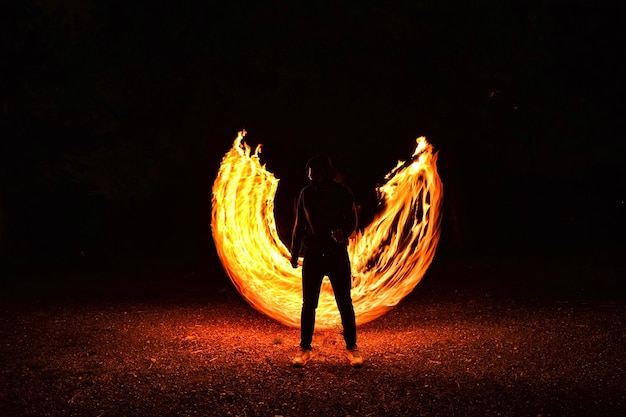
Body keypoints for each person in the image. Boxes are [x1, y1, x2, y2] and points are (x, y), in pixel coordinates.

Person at [289, 153, 363, 367]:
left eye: (315, 175)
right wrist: (295, 253)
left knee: (345, 302)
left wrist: (345, 234)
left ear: (325, 173)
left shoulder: (342, 192)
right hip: (313, 254)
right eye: (309, 176)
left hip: (337, 254)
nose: (312, 179)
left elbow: (353, 219)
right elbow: (299, 224)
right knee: (308, 304)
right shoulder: (306, 193)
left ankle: (352, 347)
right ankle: (304, 348)